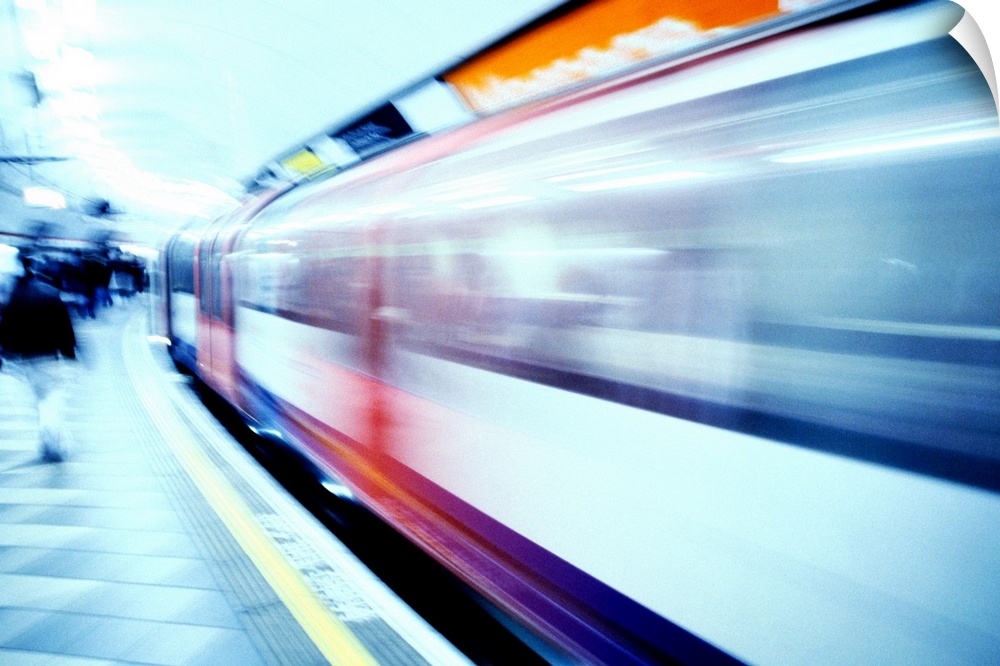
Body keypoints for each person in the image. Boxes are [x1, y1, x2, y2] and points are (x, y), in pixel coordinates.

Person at [0, 251, 78, 462]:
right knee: (51, 400)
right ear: (33, 268)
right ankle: (51, 440)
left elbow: (6, 329)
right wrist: (69, 352)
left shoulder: (13, 297)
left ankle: (47, 442)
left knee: (39, 400)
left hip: (25, 359)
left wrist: (5, 355)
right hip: (49, 356)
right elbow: (65, 326)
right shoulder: (50, 292)